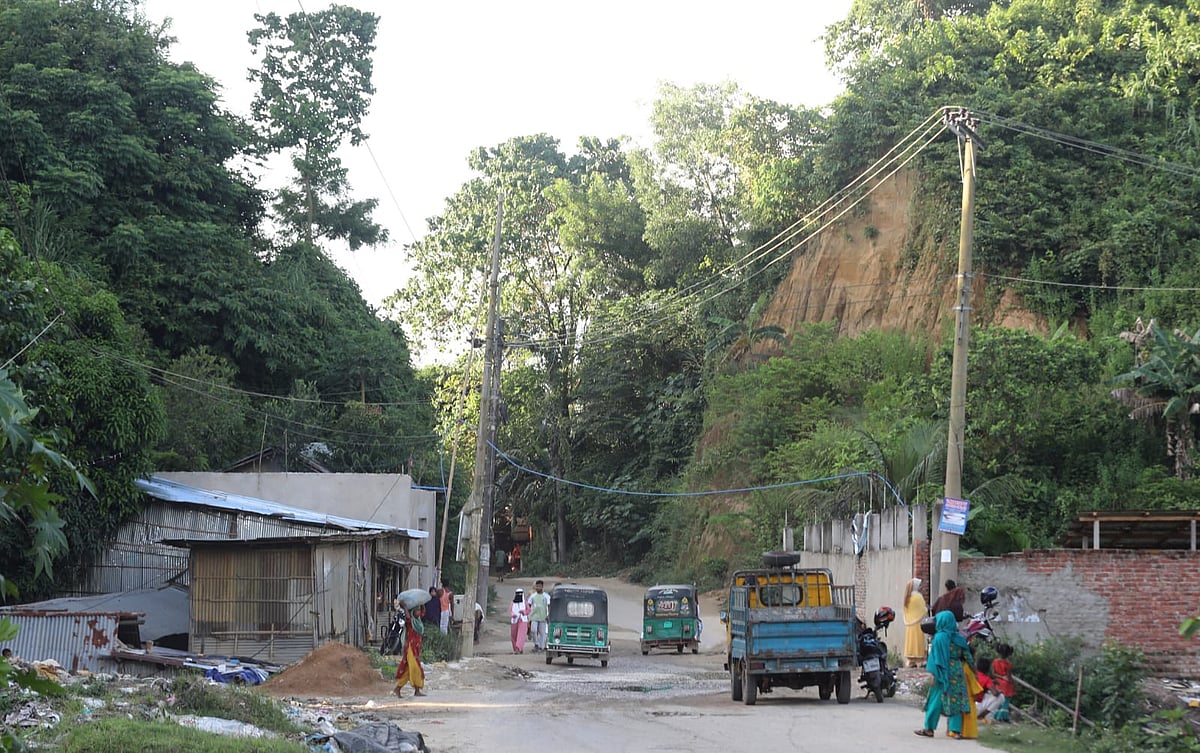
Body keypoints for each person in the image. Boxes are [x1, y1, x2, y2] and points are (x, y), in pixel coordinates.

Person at [915, 610, 973, 738]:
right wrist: (973, 671)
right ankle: (956, 731)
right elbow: (968, 657)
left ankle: (929, 729)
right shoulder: (959, 638)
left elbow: (934, 658)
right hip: (956, 672)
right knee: (955, 701)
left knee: (935, 700)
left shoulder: (939, 638)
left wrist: (932, 674)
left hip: (940, 672)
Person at [393, 604, 426, 698]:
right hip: (411, 649)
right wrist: (405, 607)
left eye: (419, 611)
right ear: (413, 612)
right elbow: (407, 616)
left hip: (416, 648)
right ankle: (417, 690)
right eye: (417, 611)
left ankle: (398, 688)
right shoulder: (410, 622)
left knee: (407, 671)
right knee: (416, 668)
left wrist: (422, 603)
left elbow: (424, 612)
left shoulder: (418, 621)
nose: (419, 612)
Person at [903, 577, 929, 667]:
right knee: (918, 642)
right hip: (918, 623)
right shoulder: (918, 597)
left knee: (910, 642)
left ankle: (911, 661)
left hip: (909, 624)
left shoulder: (907, 597)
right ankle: (920, 660)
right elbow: (923, 609)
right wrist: (926, 609)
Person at [973, 657, 1006, 723]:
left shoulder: (973, 675)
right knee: (1001, 697)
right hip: (978, 705)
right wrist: (1000, 691)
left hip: (969, 703)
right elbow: (995, 693)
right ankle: (981, 715)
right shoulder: (987, 679)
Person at [989, 643, 1016, 721]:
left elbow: (993, 673)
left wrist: (1000, 677)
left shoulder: (995, 661)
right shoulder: (1008, 664)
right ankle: (1002, 717)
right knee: (1006, 701)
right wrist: (1014, 685)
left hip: (998, 683)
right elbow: (1009, 676)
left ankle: (997, 716)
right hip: (1007, 684)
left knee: (999, 700)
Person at [526, 580, 551, 652]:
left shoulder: (546, 596)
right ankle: (536, 644)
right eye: (537, 586)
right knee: (533, 630)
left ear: (542, 587)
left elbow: (549, 606)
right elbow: (529, 605)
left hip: (543, 617)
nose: (538, 588)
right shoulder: (533, 596)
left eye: (539, 586)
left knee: (542, 633)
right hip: (534, 617)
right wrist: (528, 615)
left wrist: (548, 615)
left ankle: (541, 647)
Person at [510, 588, 530, 653]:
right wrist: (513, 614)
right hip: (514, 620)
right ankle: (515, 648)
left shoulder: (525, 602)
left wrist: (524, 612)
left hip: (523, 620)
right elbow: (511, 610)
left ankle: (519, 648)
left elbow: (528, 610)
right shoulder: (513, 603)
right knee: (514, 635)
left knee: (521, 635)